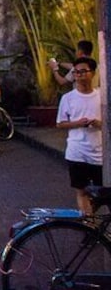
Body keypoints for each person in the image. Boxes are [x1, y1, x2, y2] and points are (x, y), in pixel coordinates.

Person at [56, 57, 103, 214]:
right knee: (81, 191)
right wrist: (77, 123)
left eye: (83, 71)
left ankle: (93, 223)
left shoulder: (102, 96)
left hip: (99, 152)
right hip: (77, 152)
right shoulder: (68, 98)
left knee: (104, 192)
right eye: (76, 72)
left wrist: (98, 124)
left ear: (93, 73)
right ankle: (89, 226)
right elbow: (60, 123)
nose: (79, 75)